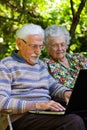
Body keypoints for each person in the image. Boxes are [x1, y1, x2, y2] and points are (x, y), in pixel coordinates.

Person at [0, 23, 86, 130]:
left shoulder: (40, 65)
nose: (38, 52)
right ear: (19, 43)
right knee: (73, 122)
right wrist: (37, 105)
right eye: (33, 46)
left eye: (40, 46)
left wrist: (66, 93)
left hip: (44, 114)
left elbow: (54, 86)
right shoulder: (6, 65)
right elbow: (1, 102)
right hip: (21, 118)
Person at [43, 25, 87, 89]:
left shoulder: (78, 58)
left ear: (66, 44)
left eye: (62, 44)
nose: (60, 48)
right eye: (55, 45)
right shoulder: (44, 65)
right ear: (47, 46)